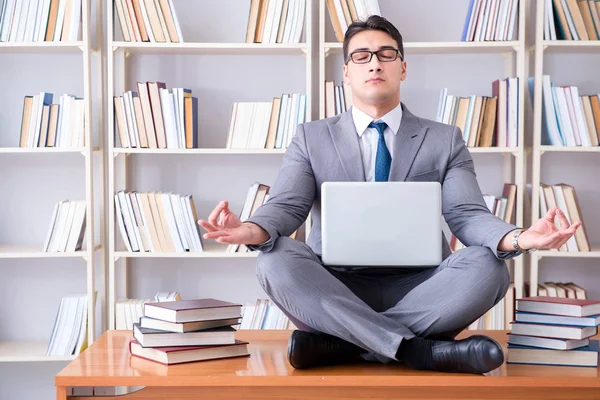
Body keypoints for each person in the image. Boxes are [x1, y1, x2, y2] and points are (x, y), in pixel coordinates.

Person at [198, 15, 581, 374]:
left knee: (488, 266)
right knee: (273, 260)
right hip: (334, 285)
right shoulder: (311, 137)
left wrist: (518, 237)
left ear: (403, 67)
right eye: (361, 57)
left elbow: (466, 214)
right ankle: (418, 350)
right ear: (346, 72)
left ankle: (345, 345)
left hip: (425, 286)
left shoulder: (444, 138)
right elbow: (288, 205)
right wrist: (250, 229)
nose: (375, 64)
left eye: (386, 55)